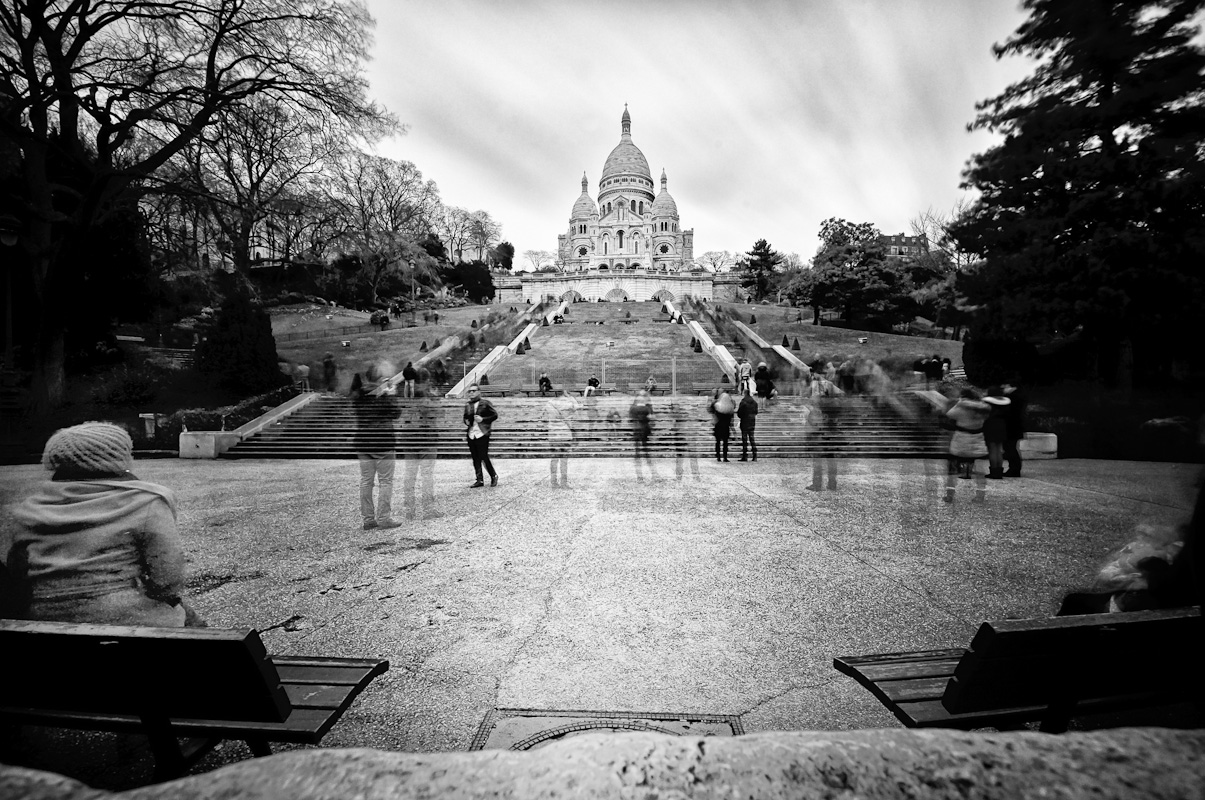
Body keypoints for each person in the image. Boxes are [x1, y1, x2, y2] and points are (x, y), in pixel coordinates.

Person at [5, 422, 205, 627]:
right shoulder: (146, 501)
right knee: (196, 626)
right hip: (126, 615)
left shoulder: (27, 510)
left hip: (44, 619)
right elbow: (168, 577)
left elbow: (17, 575)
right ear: (116, 458)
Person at [351, 363, 401, 529]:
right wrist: (391, 394)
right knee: (386, 481)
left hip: (363, 443)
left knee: (366, 481)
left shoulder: (359, 395)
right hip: (383, 441)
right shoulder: (383, 396)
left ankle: (368, 520)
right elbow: (396, 413)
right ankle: (384, 517)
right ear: (380, 378)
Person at [944, 388, 991, 503]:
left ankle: (950, 495)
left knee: (953, 469)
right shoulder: (982, 408)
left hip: (961, 441)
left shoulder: (961, 408)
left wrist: (959, 403)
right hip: (977, 440)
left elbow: (949, 414)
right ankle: (980, 495)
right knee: (980, 471)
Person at [808, 374, 844, 491]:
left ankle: (817, 484)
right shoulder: (836, 403)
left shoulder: (819, 403)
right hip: (832, 434)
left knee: (818, 460)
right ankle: (832, 484)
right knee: (831, 460)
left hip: (820, 435)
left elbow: (813, 420)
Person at [463, 383, 498, 487]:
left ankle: (493, 475)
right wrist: (466, 422)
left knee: (483, 456)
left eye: (474, 391)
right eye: (470, 391)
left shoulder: (485, 403)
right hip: (471, 434)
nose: (471, 393)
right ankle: (479, 479)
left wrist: (483, 419)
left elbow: (494, 415)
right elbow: (465, 417)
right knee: (475, 457)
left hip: (482, 433)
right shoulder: (468, 405)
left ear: (479, 392)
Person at [546, 392, 579, 487]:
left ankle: (553, 482)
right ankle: (564, 482)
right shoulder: (568, 404)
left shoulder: (549, 403)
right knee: (564, 460)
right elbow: (577, 407)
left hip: (553, 435)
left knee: (554, 459)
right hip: (564, 434)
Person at [982, 386, 1012, 479]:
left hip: (991, 426)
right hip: (1002, 426)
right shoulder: (1005, 404)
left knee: (992, 449)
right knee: (999, 449)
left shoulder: (988, 404)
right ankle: (999, 470)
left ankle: (993, 471)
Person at [629, 388, 657, 480]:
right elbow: (651, 419)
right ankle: (649, 473)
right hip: (643, 430)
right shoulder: (646, 408)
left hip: (639, 430)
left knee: (639, 452)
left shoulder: (635, 407)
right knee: (644, 451)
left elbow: (631, 419)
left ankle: (641, 475)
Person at [1002, 382, 1027, 477]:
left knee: (1010, 448)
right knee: (1011, 448)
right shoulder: (1018, 396)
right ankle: (1014, 468)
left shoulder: (1013, 398)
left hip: (1011, 427)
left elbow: (1009, 412)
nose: (1003, 388)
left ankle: (1014, 469)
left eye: (1005, 386)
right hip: (1015, 427)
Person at [709, 386, 735, 462]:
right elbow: (731, 416)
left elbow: (711, 409)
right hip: (726, 427)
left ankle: (718, 456)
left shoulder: (717, 406)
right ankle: (725, 457)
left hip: (718, 426)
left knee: (718, 442)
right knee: (725, 443)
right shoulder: (729, 408)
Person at [737, 389, 758, 462]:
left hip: (745, 422)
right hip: (752, 422)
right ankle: (755, 455)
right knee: (752, 438)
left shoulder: (743, 402)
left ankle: (745, 456)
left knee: (744, 439)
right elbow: (756, 412)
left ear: (744, 393)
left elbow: (739, 413)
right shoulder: (754, 402)